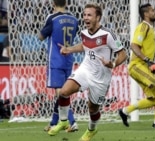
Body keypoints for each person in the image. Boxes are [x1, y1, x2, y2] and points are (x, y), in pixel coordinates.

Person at [47, 3, 127, 141]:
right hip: (85, 69)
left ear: (98, 17)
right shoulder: (84, 33)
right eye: (84, 15)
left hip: (101, 78)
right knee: (64, 92)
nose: (85, 18)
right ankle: (64, 120)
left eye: (89, 15)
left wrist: (112, 63)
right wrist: (69, 49)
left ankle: (92, 129)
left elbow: (123, 54)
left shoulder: (108, 35)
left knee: (92, 108)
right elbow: (85, 46)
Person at [118, 3, 155, 128]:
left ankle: (125, 111)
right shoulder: (143, 27)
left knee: (154, 98)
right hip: (137, 65)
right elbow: (134, 45)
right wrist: (147, 60)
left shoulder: (150, 28)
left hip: (144, 67)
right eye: (152, 10)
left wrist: (153, 69)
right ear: (146, 14)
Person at [38, 0, 78, 132]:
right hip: (68, 60)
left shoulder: (52, 18)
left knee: (61, 93)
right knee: (63, 92)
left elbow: (41, 37)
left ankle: (72, 122)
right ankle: (53, 122)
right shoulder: (74, 19)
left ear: (53, 4)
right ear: (66, 3)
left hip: (55, 60)